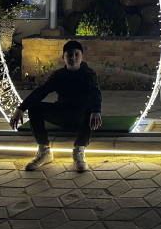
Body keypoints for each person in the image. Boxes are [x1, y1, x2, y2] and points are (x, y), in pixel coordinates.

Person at [10, 40, 102, 172]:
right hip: (62, 114)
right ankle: (44, 150)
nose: (73, 58)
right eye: (69, 55)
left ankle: (79, 150)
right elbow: (41, 91)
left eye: (76, 54)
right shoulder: (59, 75)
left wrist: (96, 110)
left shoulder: (89, 74)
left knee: (91, 109)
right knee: (35, 107)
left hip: (82, 117)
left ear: (82, 56)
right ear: (63, 57)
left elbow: (95, 92)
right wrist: (20, 108)